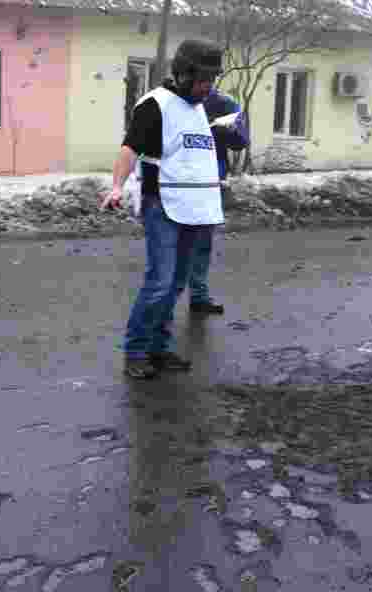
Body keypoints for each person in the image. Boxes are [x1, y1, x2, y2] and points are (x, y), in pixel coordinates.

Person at [101, 39, 225, 379]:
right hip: (164, 206)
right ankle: (136, 351)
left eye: (212, 80)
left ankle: (159, 347)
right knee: (159, 281)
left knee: (176, 284)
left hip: (196, 209)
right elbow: (130, 149)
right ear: (183, 74)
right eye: (202, 79)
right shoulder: (155, 104)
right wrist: (116, 186)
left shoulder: (199, 108)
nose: (207, 87)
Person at [182, 88, 249, 315]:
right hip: (178, 178)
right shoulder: (174, 99)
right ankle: (165, 300)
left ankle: (198, 296)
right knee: (174, 240)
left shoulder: (225, 103)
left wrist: (226, 130)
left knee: (202, 240)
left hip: (211, 179)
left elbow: (241, 141)